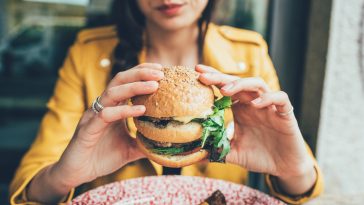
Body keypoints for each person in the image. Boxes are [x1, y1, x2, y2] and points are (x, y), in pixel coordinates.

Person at [9, 0, 323, 204]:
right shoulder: (87, 52)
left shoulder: (249, 53)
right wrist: (65, 175)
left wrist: (292, 170)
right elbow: (27, 190)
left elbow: (302, 186)